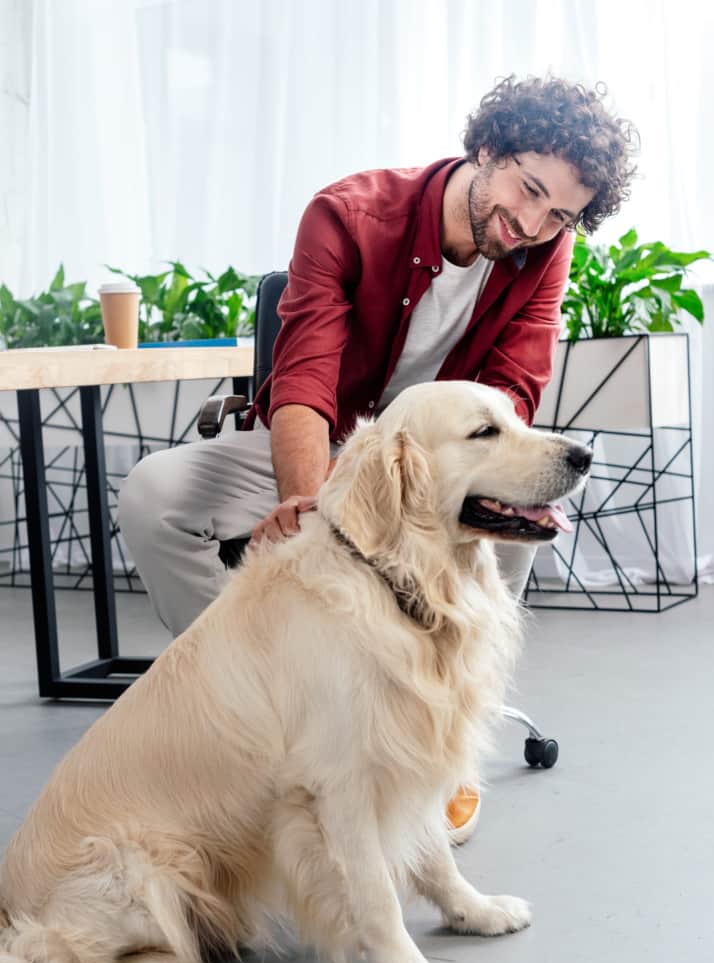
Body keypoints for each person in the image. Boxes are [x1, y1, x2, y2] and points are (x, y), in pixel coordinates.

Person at [119, 74, 636, 841]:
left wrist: (462, 479)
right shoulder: (349, 214)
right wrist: (306, 500)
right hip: (321, 440)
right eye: (527, 189)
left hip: (439, 456)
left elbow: (512, 387)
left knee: (517, 509)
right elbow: (302, 381)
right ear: (488, 147)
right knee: (155, 496)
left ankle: (441, 749)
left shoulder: (543, 248)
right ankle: (263, 715)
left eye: (558, 213)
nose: (530, 222)